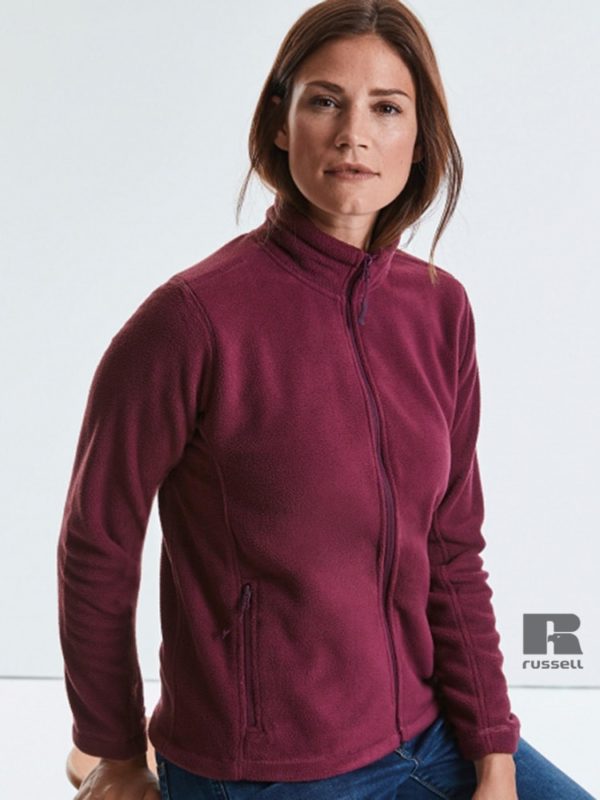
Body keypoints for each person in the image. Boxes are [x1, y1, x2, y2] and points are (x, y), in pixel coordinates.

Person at [57, 1, 596, 799]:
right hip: (266, 767)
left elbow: (451, 547)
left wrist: (493, 754)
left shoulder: (439, 310)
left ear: (420, 140)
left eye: (387, 108)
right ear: (280, 124)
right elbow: (97, 544)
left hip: (429, 735)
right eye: (324, 101)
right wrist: (113, 749)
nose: (354, 135)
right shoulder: (191, 321)